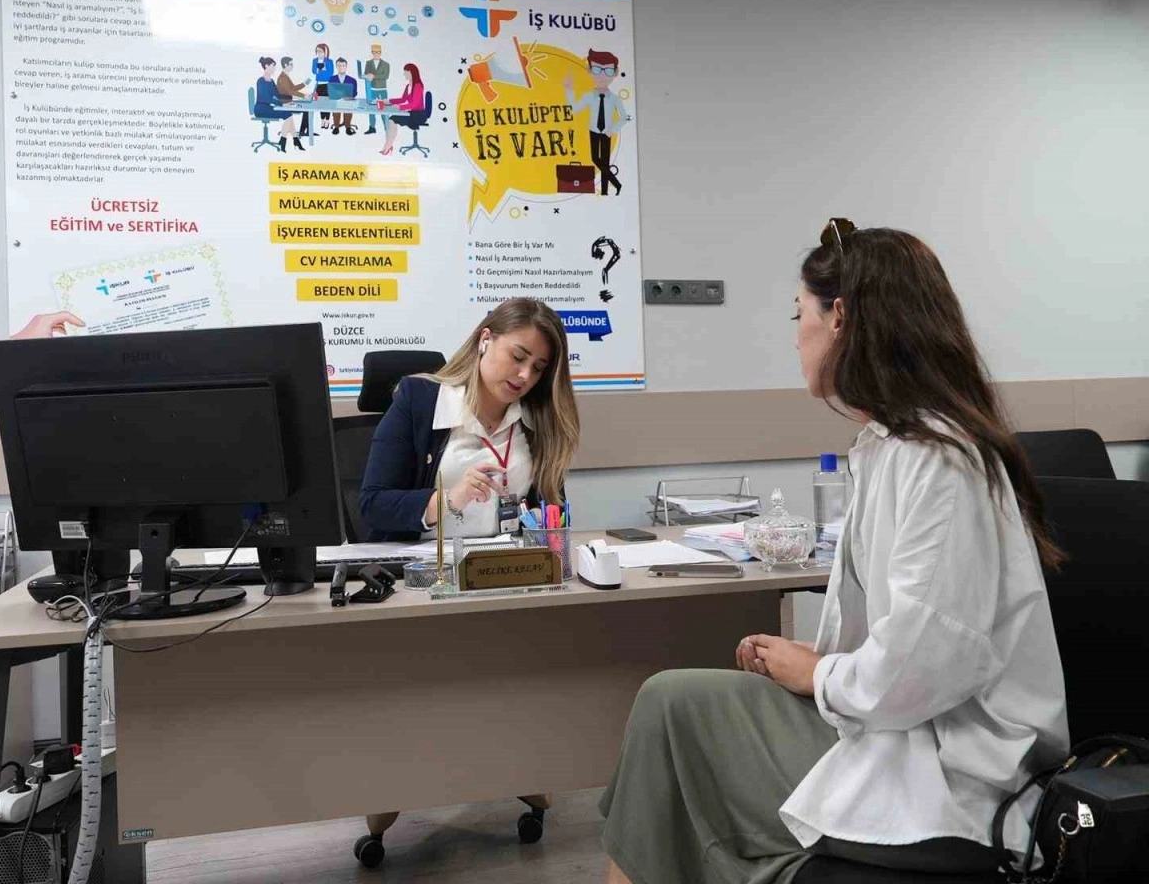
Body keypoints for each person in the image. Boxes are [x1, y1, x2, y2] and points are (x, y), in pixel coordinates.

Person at [599, 220, 1069, 884]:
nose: (796, 335)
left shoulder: (939, 462)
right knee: (668, 704)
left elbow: (925, 663)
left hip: (953, 772)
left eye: (801, 314)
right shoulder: (891, 445)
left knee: (674, 765)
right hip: (900, 723)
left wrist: (817, 674)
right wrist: (815, 662)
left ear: (840, 317)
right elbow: (907, 641)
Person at [359, 297, 580, 543]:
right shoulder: (419, 400)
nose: (525, 375)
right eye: (518, 357)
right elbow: (373, 505)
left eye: (537, 368)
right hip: (427, 561)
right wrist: (450, 499)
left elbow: (555, 507)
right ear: (485, 340)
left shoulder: (537, 419)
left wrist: (540, 518)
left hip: (506, 560)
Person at [564, 50, 627, 196]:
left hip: (607, 132)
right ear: (589, 70)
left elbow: (624, 117)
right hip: (593, 130)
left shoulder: (615, 98)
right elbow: (574, 108)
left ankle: (605, 191)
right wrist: (569, 90)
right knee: (595, 158)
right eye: (597, 69)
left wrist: (613, 129)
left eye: (608, 71)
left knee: (605, 162)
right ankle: (617, 184)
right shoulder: (589, 96)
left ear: (615, 73)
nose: (602, 75)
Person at [253, 57, 302, 152]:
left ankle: (293, 140)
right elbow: (267, 99)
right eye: (273, 66)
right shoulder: (260, 81)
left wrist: (292, 98)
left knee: (288, 114)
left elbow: (278, 95)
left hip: (268, 107)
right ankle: (286, 140)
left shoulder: (271, 81)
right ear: (266, 66)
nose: (274, 69)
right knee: (287, 114)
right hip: (260, 109)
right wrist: (282, 105)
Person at [379, 63, 425, 156]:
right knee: (392, 119)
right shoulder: (408, 86)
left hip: (418, 115)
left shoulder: (418, 86)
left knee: (392, 119)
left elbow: (415, 104)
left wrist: (400, 107)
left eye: (406, 72)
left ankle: (388, 146)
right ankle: (388, 145)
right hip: (411, 112)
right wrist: (388, 101)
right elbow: (403, 99)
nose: (404, 74)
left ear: (412, 73)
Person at [276, 56, 310, 138]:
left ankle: (303, 131)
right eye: (291, 64)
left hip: (288, 101)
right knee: (306, 109)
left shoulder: (285, 76)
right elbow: (290, 91)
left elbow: (293, 88)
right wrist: (303, 96)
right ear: (285, 65)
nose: (292, 66)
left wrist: (304, 84)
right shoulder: (283, 78)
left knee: (307, 109)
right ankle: (303, 132)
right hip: (285, 103)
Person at [362, 43, 390, 134]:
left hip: (382, 90)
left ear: (380, 53)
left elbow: (385, 76)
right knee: (371, 109)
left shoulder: (386, 64)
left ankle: (386, 128)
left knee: (383, 109)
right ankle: (372, 127)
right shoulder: (368, 63)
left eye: (378, 52)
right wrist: (367, 76)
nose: (376, 54)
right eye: (374, 52)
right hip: (372, 89)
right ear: (372, 53)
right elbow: (366, 73)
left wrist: (373, 76)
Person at [329, 57, 358, 135]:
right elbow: (330, 91)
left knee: (349, 107)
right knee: (336, 107)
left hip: (348, 100)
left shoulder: (352, 80)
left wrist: (347, 95)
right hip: (336, 100)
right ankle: (336, 127)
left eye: (343, 65)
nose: (341, 67)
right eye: (339, 65)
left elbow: (355, 93)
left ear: (346, 66)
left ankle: (348, 127)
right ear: (336, 66)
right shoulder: (332, 79)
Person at [311, 43, 334, 130]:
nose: (319, 53)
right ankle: (322, 120)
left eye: (321, 51)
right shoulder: (315, 60)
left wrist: (321, 70)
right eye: (317, 51)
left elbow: (330, 73)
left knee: (327, 103)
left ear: (325, 52)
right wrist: (322, 70)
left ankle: (327, 120)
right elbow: (314, 71)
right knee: (320, 102)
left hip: (327, 85)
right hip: (318, 84)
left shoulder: (329, 61)